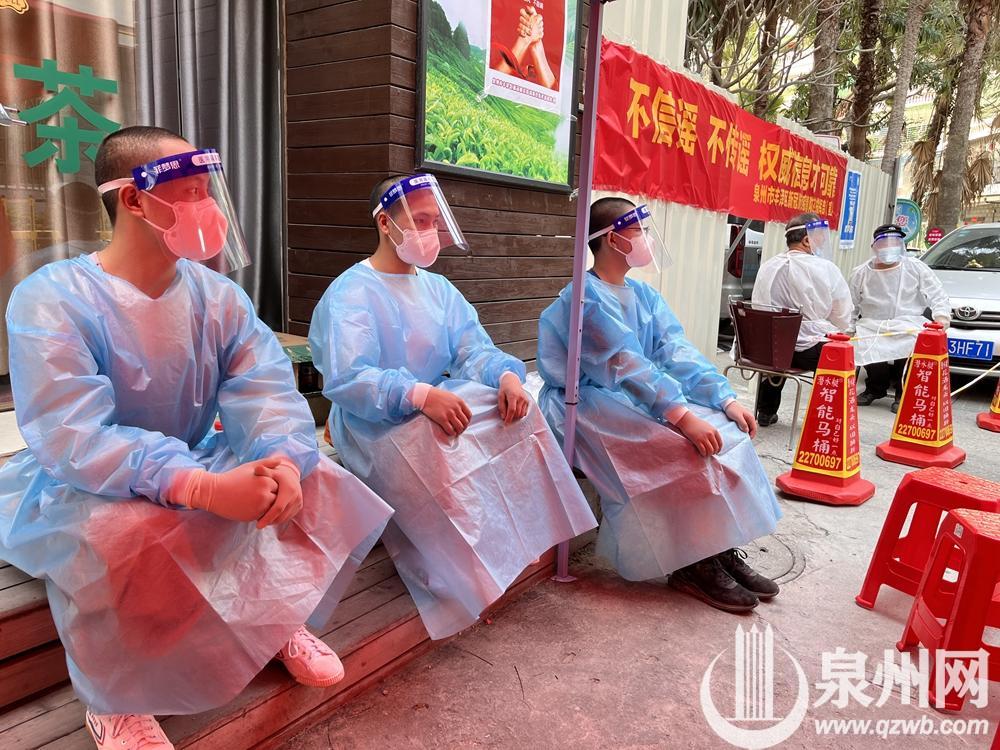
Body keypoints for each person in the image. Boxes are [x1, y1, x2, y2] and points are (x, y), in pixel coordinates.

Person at [0, 126, 393, 750]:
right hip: (92, 476)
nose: (208, 207)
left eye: (210, 191)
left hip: (187, 451)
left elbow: (265, 391)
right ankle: (116, 698)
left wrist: (281, 459)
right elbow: (73, 433)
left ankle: (272, 622)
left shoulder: (219, 298)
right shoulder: (51, 299)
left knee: (315, 475)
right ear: (134, 199)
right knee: (122, 532)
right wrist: (198, 486)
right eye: (191, 192)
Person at [309, 173, 597, 640]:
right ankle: (451, 570)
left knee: (514, 412)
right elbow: (349, 378)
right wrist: (419, 396)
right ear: (385, 223)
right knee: (437, 440)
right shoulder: (351, 293)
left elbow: (472, 349)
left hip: (431, 398)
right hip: (371, 420)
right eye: (420, 221)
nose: (430, 232)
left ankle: (510, 543)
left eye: (435, 222)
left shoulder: (438, 289)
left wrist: (506, 376)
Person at [537, 197, 782, 614]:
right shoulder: (584, 299)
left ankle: (717, 546)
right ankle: (691, 564)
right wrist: (682, 417)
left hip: (637, 397)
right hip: (586, 404)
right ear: (612, 239)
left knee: (725, 434)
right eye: (639, 231)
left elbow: (675, 351)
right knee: (683, 450)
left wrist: (722, 398)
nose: (646, 239)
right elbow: (625, 364)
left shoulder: (644, 295)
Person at [752, 212, 852, 426]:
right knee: (841, 352)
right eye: (820, 237)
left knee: (778, 341)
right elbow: (842, 315)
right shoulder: (825, 268)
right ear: (807, 240)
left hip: (766, 351)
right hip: (808, 352)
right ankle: (825, 417)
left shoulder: (768, 266)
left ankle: (765, 411)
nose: (822, 242)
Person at [849, 223, 951, 412]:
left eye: (894, 243)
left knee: (912, 343)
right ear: (874, 247)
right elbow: (851, 304)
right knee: (863, 343)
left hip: (908, 322)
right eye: (884, 243)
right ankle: (875, 388)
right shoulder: (861, 272)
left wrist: (941, 317)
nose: (889, 247)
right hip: (872, 323)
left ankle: (902, 393)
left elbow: (937, 294)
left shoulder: (916, 268)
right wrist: (848, 328)